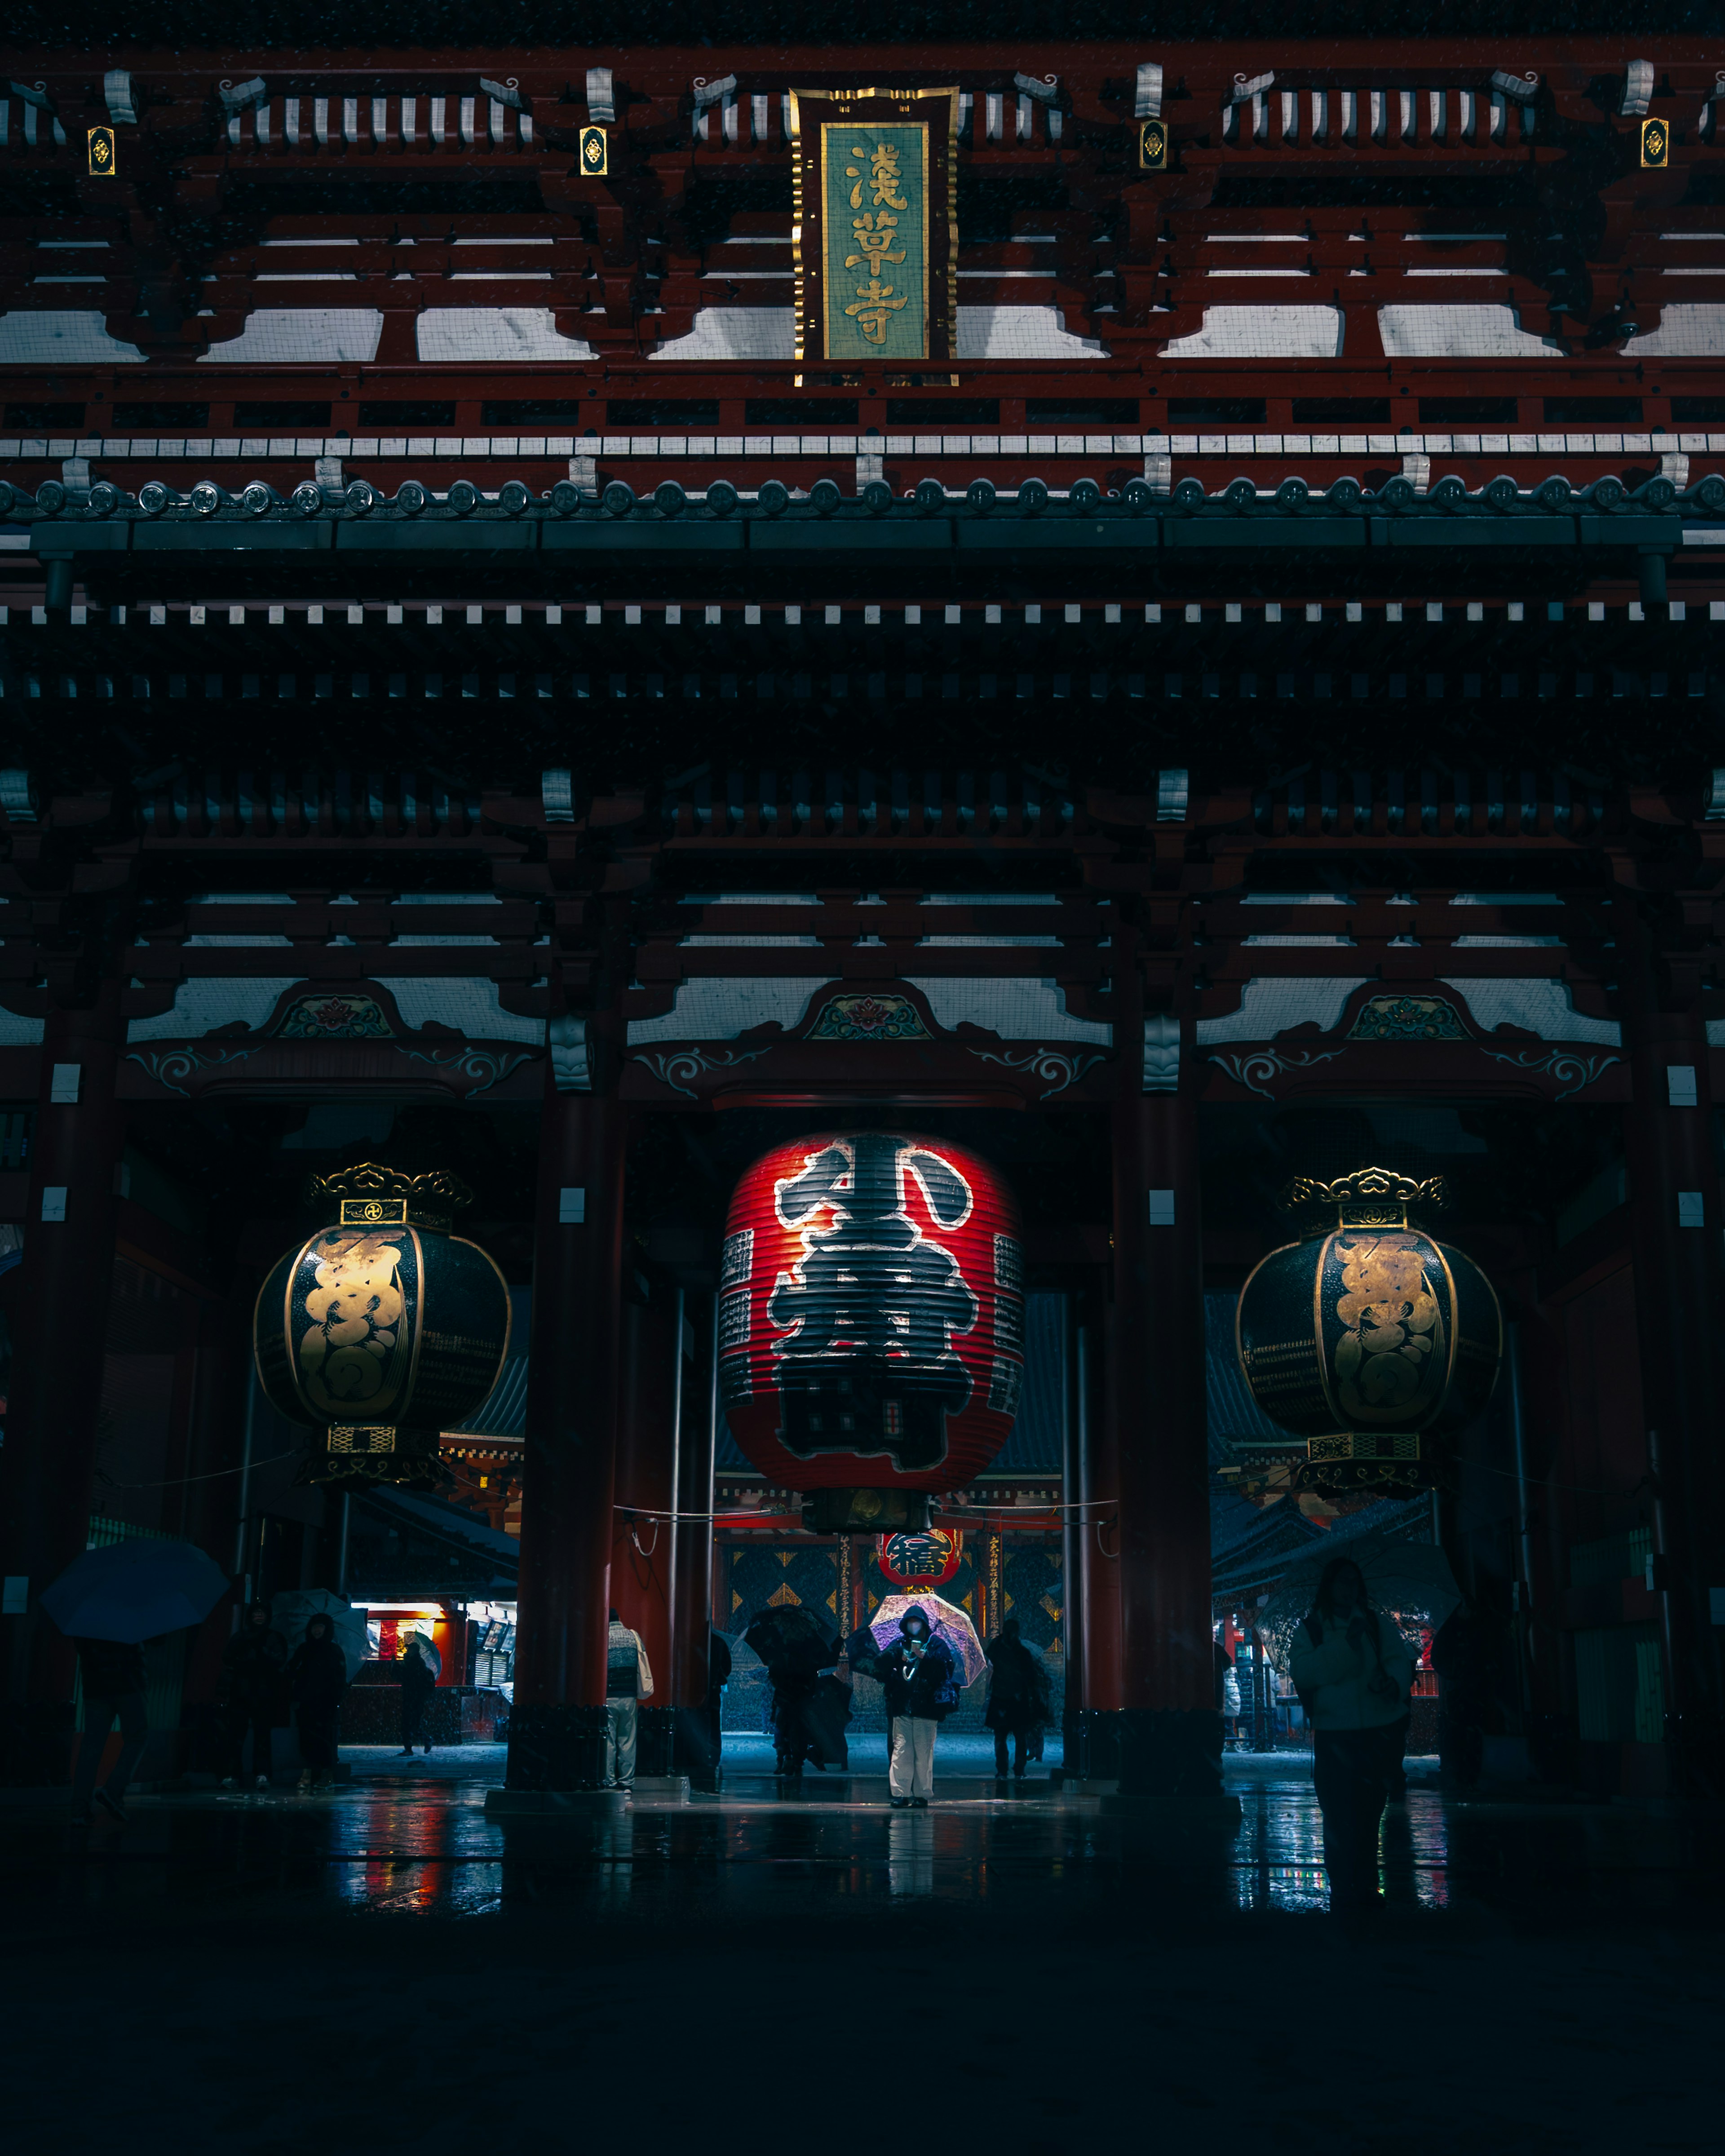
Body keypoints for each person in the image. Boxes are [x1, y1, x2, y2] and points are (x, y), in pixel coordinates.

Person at [1290, 1557, 1414, 1922]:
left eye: (1353, 1582)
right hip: (1335, 1733)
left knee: (1370, 1813)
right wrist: (1347, 1646)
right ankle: (1344, 1886)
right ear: (1329, 1588)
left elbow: (1398, 1661)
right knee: (1338, 1814)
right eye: (1342, 1583)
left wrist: (1391, 1681)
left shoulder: (1377, 1624)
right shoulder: (1312, 1629)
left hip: (1375, 1730)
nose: (1349, 1589)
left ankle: (1367, 1885)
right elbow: (1306, 1672)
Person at [871, 1607, 961, 1809]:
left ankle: (921, 1794)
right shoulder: (899, 1644)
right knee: (901, 1751)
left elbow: (945, 1670)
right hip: (902, 1707)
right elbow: (880, 1667)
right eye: (910, 1622)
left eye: (916, 1622)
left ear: (924, 1624)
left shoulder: (937, 1645)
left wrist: (924, 1657)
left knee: (923, 1753)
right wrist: (896, 1657)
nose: (913, 1626)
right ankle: (901, 1794)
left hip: (927, 1709)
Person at [71, 1636, 150, 1826]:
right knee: (137, 1736)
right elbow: (157, 1638)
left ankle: (79, 1812)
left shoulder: (87, 1614)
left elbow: (81, 1646)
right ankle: (113, 1791)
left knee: (91, 1747)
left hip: (95, 1685)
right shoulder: (132, 1612)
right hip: (128, 1683)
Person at [219, 1600, 287, 1789]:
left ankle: (262, 1774)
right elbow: (228, 1657)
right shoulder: (241, 1637)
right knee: (236, 1735)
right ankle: (234, 1774)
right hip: (242, 1692)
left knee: (261, 1736)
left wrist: (261, 1655)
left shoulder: (273, 1637)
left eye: (262, 1613)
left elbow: (279, 1660)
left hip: (263, 1694)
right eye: (256, 1613)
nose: (259, 1616)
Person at [288, 1611, 349, 1793]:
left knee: (324, 1738)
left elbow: (340, 1677)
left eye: (321, 1627)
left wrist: (336, 1698)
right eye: (315, 1627)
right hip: (306, 1701)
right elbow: (292, 1671)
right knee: (306, 1738)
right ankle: (307, 1773)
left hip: (326, 1703)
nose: (317, 1630)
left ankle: (326, 1774)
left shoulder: (334, 1650)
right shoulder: (304, 1649)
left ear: (327, 1629)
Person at [984, 1617, 1051, 1780]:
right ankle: (1018, 1770)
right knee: (1019, 1738)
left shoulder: (996, 1649)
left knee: (1002, 1738)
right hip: (1017, 1700)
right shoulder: (1023, 1653)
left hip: (1001, 1699)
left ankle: (1003, 1770)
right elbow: (1031, 1679)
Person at [605, 1607, 654, 1791]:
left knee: (608, 1741)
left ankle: (609, 1781)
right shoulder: (633, 1636)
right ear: (620, 1619)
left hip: (608, 1696)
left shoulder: (604, 1637)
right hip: (629, 1696)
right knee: (627, 1741)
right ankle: (626, 1782)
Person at [397, 1631, 438, 1758]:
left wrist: (400, 1667)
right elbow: (401, 1677)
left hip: (415, 1698)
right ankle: (411, 1747)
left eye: (409, 1649)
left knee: (412, 1724)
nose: (407, 1651)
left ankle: (425, 1740)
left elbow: (407, 1677)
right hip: (412, 1697)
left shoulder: (417, 1664)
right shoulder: (411, 1663)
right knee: (408, 1724)